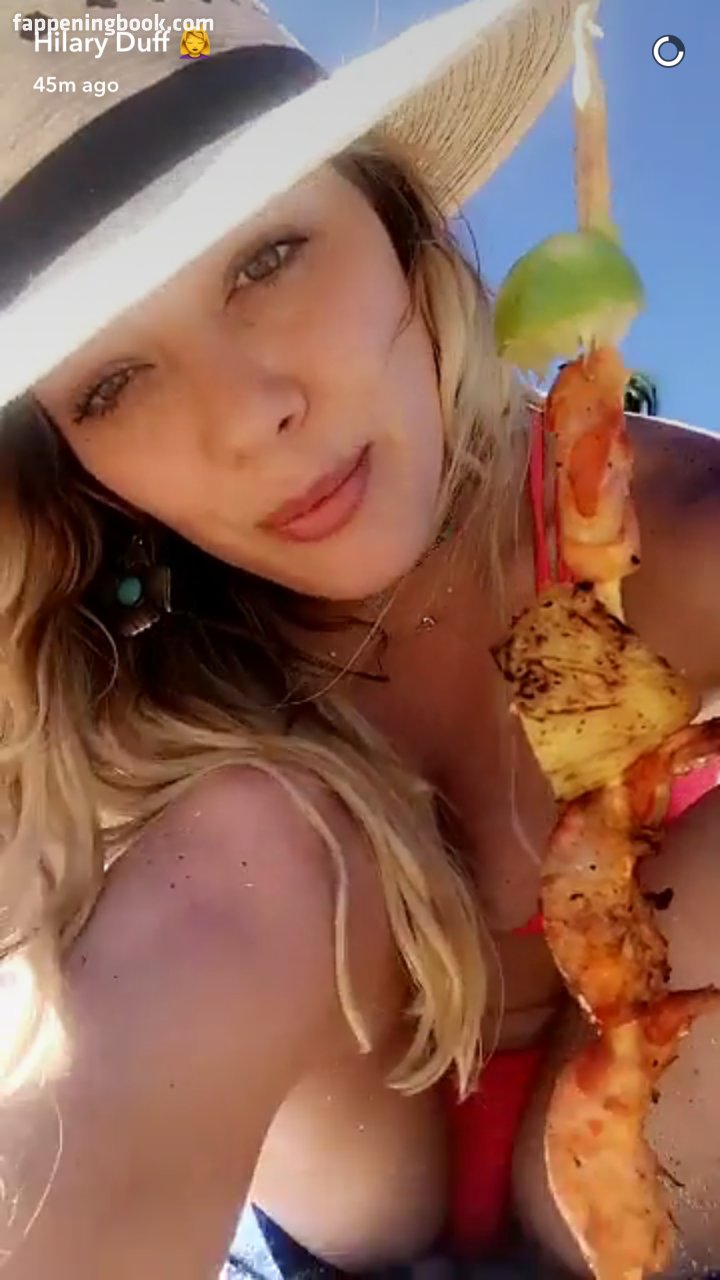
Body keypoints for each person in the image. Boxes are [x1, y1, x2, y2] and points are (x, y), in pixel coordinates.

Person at [1, 1, 720, 1277]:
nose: (250, 417)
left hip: (656, 1189)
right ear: (73, 462)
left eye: (266, 257)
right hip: (323, 1226)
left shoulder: (667, 527)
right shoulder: (118, 689)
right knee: (249, 842)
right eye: (111, 381)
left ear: (395, 222)